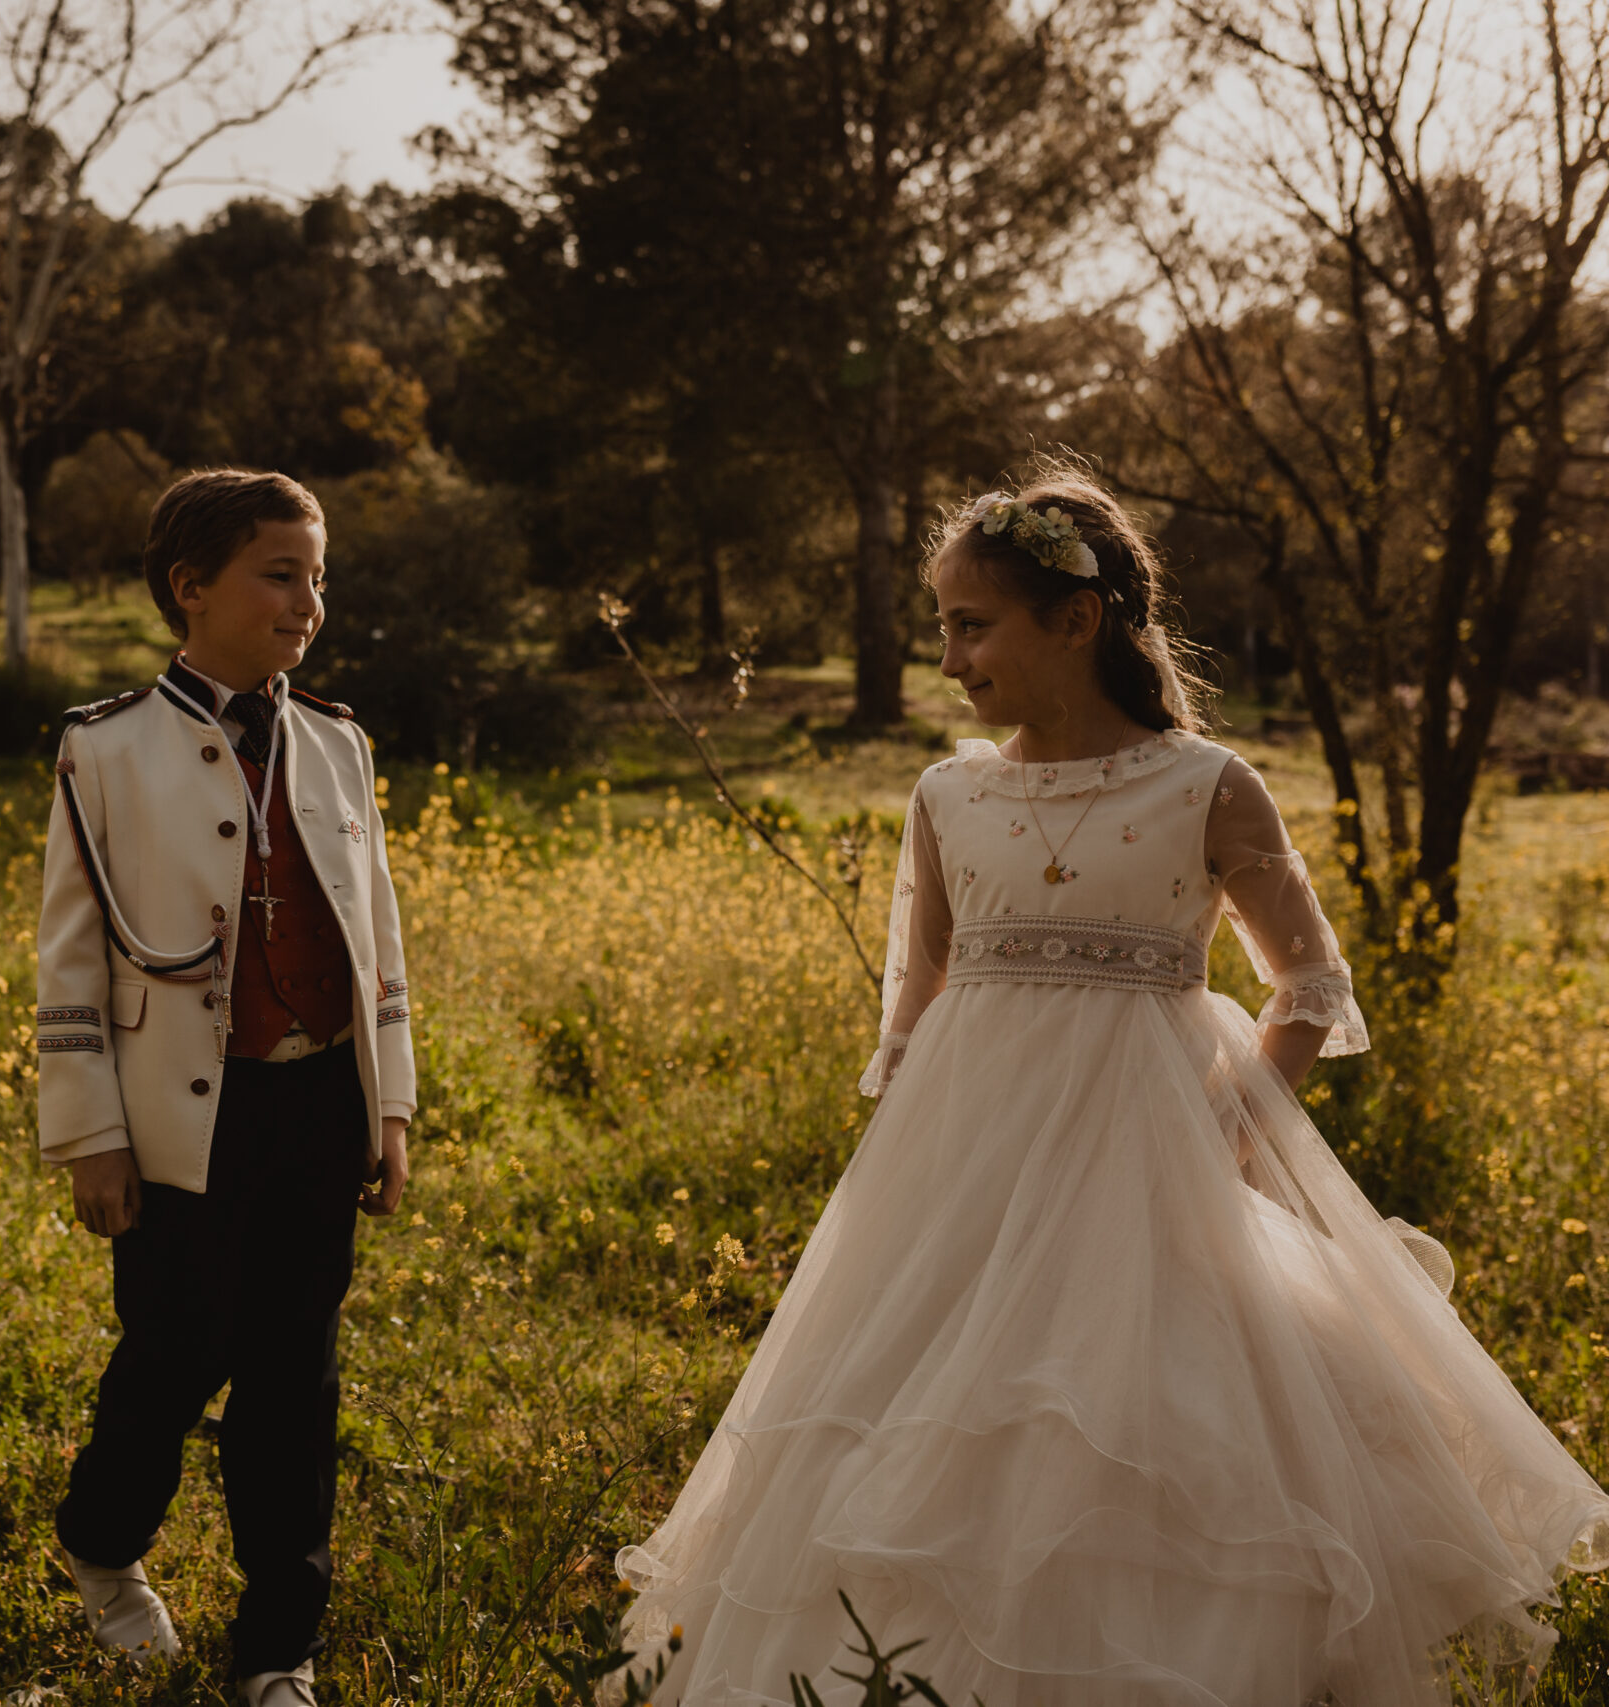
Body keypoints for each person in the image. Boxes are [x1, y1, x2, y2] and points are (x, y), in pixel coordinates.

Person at [614, 464, 1609, 1705]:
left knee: (1142, 1418)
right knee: (926, 1417)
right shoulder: (947, 794)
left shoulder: (1203, 786)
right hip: (966, 1168)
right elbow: (916, 1005)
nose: (950, 658)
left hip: (1151, 1157)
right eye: (942, 630)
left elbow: (1309, 982)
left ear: (1075, 621)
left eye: (971, 627)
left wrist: (1229, 1120)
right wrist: (903, 1183)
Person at [33, 468, 416, 1706]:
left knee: (295, 1374)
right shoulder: (104, 750)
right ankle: (102, 1547)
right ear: (188, 588)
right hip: (177, 1120)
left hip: (317, 1102)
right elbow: (72, 954)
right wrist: (90, 1132)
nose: (308, 600)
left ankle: (278, 1647)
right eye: (279, 573)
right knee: (170, 1351)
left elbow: (379, 941)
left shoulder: (339, 744)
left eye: (317, 575)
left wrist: (390, 1104)